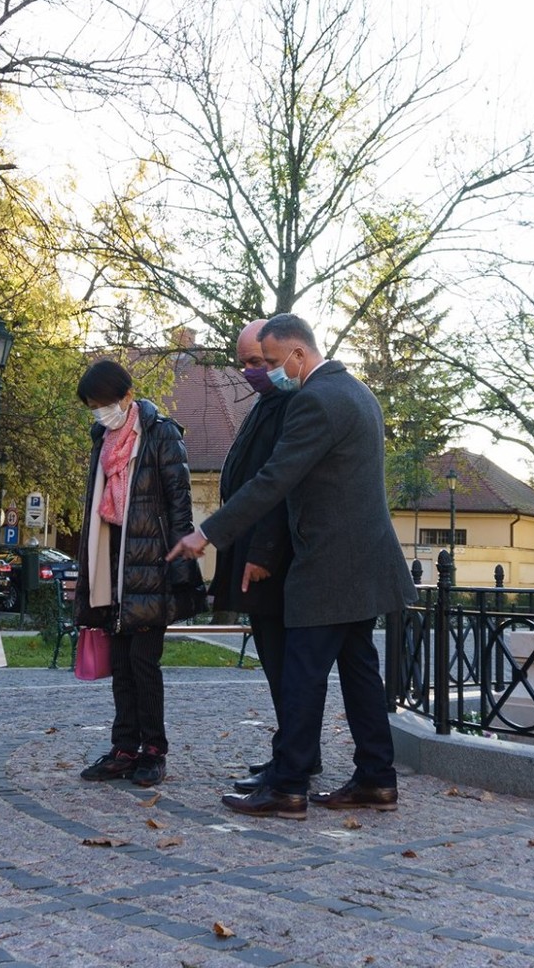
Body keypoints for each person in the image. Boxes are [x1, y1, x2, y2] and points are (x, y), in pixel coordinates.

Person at [169, 313, 415, 821]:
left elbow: (273, 480)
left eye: (273, 361)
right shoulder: (357, 391)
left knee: (302, 674)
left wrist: (207, 532)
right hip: (364, 561)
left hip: (330, 565)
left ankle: (288, 787)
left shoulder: (314, 400)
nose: (267, 371)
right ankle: (377, 778)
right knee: (360, 672)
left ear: (299, 354)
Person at [74, 358, 204, 790]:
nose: (99, 412)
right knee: (121, 665)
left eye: (104, 403)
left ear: (127, 395)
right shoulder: (102, 437)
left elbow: (179, 503)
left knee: (144, 663)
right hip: (111, 562)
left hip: (152, 563)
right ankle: (124, 748)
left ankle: (153, 750)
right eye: (93, 406)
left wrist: (180, 567)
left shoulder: (161, 433)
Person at [210, 319, 319, 793]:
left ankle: (294, 760)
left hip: (271, 560)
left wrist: (262, 552)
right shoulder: (268, 401)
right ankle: (293, 753)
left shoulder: (292, 402)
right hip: (253, 550)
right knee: (276, 662)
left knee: (284, 663)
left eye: (258, 361)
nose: (251, 371)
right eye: (245, 363)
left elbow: (280, 485)